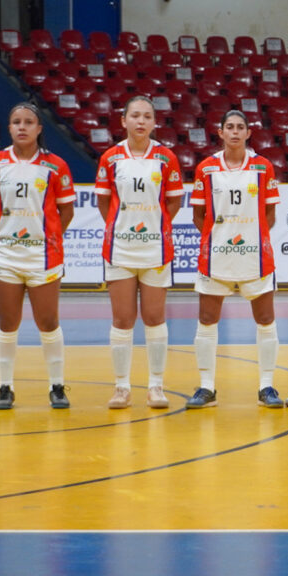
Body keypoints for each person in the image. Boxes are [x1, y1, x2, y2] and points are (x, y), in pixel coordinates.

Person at [0, 102, 76, 410]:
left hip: (44, 256)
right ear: (9, 128)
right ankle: (5, 387)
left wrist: (47, 238)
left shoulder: (55, 165)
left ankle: (56, 387)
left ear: (39, 128)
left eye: (28, 122)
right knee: (8, 323)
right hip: (6, 254)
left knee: (48, 322)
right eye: (16, 122)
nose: (22, 127)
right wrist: (5, 232)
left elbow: (66, 211)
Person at [187, 110, 282, 408]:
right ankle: (206, 387)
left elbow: (270, 213)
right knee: (207, 320)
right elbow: (198, 215)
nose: (235, 132)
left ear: (248, 133)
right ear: (220, 132)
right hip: (216, 258)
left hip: (255, 256)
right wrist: (219, 240)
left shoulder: (263, 167)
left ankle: (266, 386)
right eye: (230, 127)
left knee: (265, 320)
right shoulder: (206, 168)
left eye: (241, 127)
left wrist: (253, 238)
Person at [94, 96, 184, 409]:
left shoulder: (166, 157)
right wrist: (124, 227)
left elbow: (173, 202)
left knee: (155, 317)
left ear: (154, 122)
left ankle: (156, 386)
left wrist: (153, 226)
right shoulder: (110, 158)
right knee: (122, 319)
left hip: (155, 249)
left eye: (147, 116)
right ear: (124, 121)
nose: (141, 121)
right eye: (135, 116)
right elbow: (104, 202)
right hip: (120, 248)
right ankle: (121, 388)